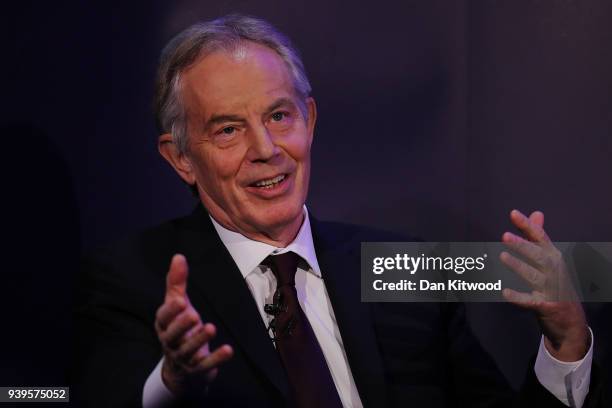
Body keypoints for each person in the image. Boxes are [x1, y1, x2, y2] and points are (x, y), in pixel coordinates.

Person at [73, 14, 605, 407]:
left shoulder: (403, 269)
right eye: (229, 129)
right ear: (181, 157)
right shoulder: (135, 279)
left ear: (310, 119)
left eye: (280, 116)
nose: (266, 148)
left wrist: (565, 341)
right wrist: (173, 383)